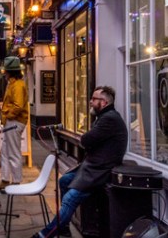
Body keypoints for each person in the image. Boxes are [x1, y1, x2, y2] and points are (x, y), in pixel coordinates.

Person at [32, 86, 128, 238]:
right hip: (91, 167)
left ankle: (44, 234)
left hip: (99, 172)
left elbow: (86, 140)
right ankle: (63, 227)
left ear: (103, 102)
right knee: (64, 181)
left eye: (94, 99)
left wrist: (88, 139)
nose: (90, 102)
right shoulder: (105, 116)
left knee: (70, 198)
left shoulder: (109, 119)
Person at [0, 56, 29, 191]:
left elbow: (18, 106)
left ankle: (16, 182)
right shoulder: (13, 84)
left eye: (5, 70)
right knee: (5, 151)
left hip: (14, 121)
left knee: (12, 152)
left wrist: (6, 114)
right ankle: (5, 179)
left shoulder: (18, 85)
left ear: (10, 71)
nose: (4, 73)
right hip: (12, 121)